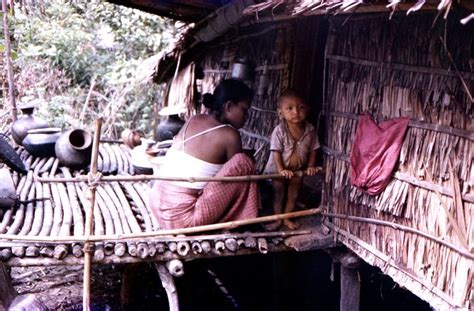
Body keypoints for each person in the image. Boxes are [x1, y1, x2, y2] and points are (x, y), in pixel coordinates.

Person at [149, 79, 260, 229]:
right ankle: (242, 217)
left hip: (158, 207)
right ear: (228, 106)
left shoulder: (194, 119)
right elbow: (236, 169)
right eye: (244, 110)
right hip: (183, 219)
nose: (247, 116)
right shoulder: (230, 135)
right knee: (243, 162)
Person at [264, 89, 320, 230]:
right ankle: (278, 219)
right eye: (290, 108)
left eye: (301, 107)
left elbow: (314, 149)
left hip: (298, 170)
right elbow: (276, 151)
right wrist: (281, 170)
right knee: (279, 194)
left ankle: (287, 218)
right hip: (278, 170)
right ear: (280, 113)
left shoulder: (310, 130)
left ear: (308, 109)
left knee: (293, 195)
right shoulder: (279, 130)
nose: (296, 112)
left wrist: (311, 166)